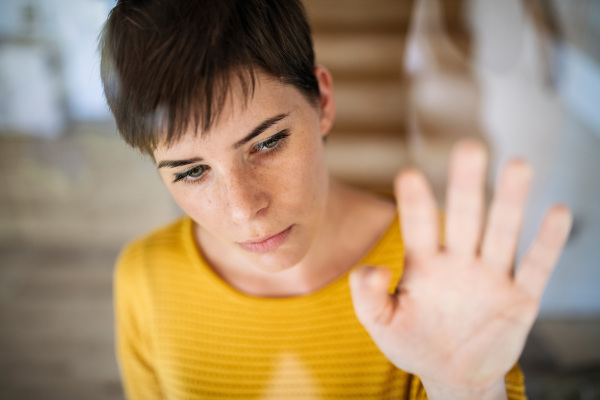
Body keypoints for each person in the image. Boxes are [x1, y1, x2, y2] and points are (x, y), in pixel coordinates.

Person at [99, 0, 572, 399]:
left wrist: (465, 390)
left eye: (266, 143)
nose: (244, 209)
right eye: (192, 171)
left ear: (322, 99)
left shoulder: (446, 266)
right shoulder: (145, 276)